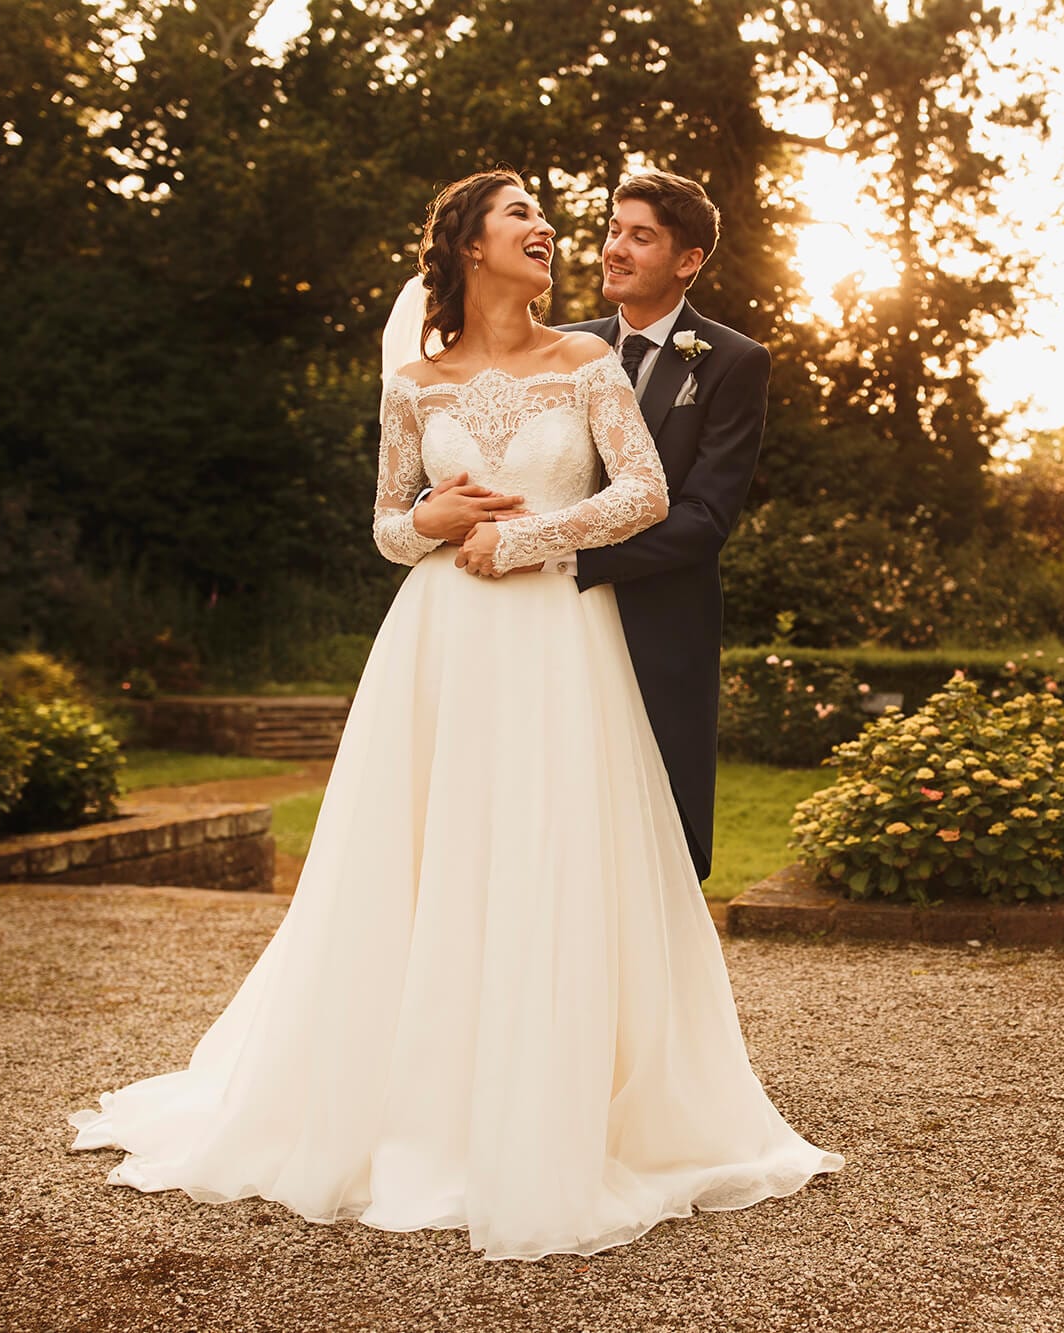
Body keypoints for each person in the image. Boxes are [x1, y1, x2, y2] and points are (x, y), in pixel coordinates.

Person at [67, 168, 841, 1262]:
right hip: (435, 642)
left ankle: (552, 1096)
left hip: (556, 638)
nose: (556, 234)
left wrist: (526, 539)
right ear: (469, 244)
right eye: (525, 214)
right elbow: (389, 525)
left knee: (542, 849)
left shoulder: (584, 363)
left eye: (577, 225)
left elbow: (654, 496)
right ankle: (405, 1095)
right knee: (418, 852)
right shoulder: (414, 384)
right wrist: (427, 515)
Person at [414, 170, 763, 883]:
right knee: (533, 825)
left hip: (654, 624)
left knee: (657, 839)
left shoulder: (732, 361)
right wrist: (433, 510)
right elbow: (476, 454)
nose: (615, 249)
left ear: (688, 260)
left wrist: (564, 558)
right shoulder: (560, 347)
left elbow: (703, 518)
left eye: (641, 237)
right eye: (613, 230)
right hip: (529, 629)